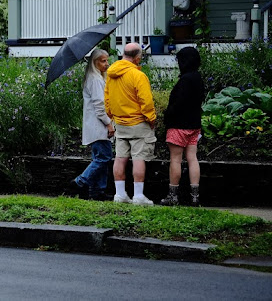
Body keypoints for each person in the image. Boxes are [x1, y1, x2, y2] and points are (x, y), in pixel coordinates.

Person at [104, 42, 157, 205]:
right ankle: (139, 196)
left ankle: (120, 195)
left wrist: (112, 115)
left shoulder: (111, 74)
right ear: (138, 58)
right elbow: (146, 101)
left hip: (120, 123)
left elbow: (107, 99)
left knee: (120, 158)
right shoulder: (138, 75)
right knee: (139, 158)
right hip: (138, 123)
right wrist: (152, 118)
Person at [68, 49, 115, 200]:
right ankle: (79, 182)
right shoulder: (95, 79)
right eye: (103, 61)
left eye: (107, 60)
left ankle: (97, 192)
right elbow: (99, 106)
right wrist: (109, 124)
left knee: (100, 158)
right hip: (98, 126)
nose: (107, 64)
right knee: (104, 158)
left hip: (95, 125)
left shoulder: (95, 78)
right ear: (94, 63)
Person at [161, 47, 205, 207]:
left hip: (178, 125)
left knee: (175, 159)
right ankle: (195, 196)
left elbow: (178, 104)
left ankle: (173, 196)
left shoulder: (185, 80)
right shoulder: (198, 78)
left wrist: (167, 116)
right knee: (193, 158)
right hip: (194, 125)